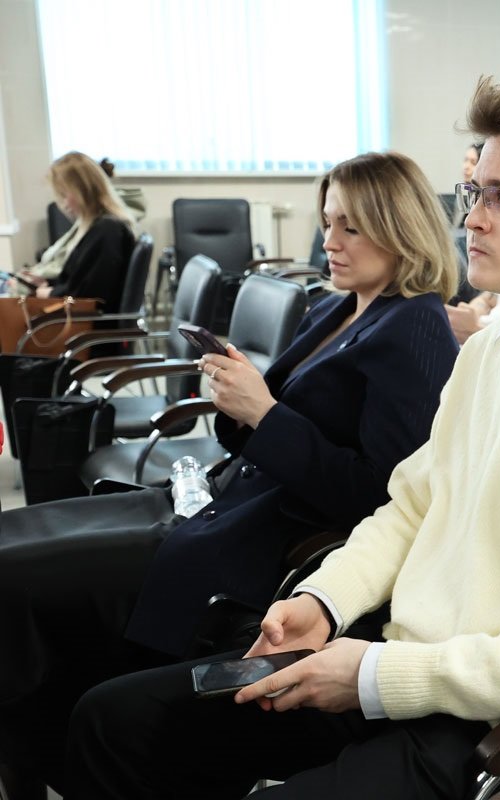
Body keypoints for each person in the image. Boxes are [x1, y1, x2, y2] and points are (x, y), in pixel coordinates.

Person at [65, 76, 500, 800]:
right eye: (474, 193)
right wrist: (326, 600)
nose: (473, 219)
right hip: (412, 672)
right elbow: (413, 506)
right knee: (114, 721)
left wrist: (374, 676)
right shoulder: (493, 351)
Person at [0, 151, 460, 796]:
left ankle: (35, 758)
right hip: (210, 500)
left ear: (400, 229)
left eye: (351, 228)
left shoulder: (415, 329)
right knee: (14, 542)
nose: (329, 241)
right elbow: (265, 429)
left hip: (253, 538)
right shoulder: (335, 309)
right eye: (327, 223)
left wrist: (265, 413)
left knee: (20, 582)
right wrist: (241, 399)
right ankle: (32, 752)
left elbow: (377, 493)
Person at [11, 152, 134, 312]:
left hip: (86, 321)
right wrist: (48, 283)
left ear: (83, 190)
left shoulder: (107, 231)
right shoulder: (99, 227)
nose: (63, 203)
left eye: (64, 194)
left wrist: (49, 293)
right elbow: (80, 281)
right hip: (81, 317)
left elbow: (90, 296)